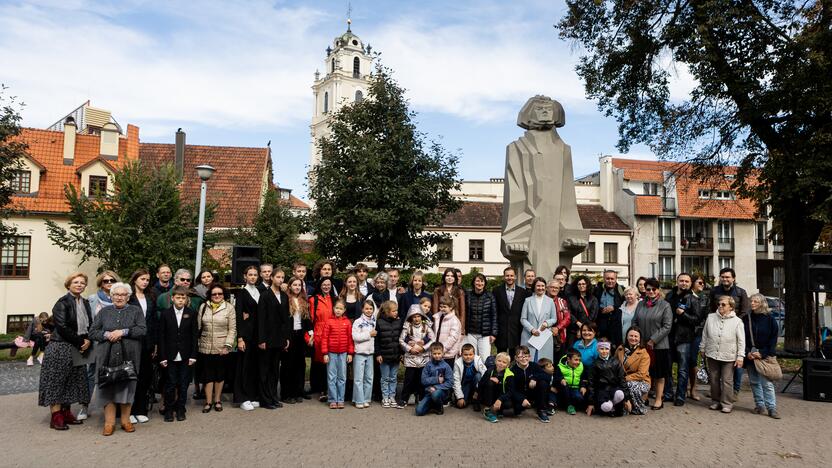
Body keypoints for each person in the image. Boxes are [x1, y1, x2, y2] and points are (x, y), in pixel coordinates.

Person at [88, 282, 147, 436]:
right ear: (112, 296)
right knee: (107, 389)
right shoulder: (104, 312)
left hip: (129, 356)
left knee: (127, 387)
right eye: (116, 294)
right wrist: (107, 334)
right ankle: (109, 423)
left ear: (128, 297)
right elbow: (93, 332)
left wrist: (124, 332)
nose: (119, 297)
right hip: (106, 356)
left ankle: (126, 421)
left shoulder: (135, 311)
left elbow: (142, 329)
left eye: (123, 295)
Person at [38, 272, 92, 430]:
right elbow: (62, 327)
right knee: (57, 381)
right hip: (60, 346)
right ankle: (56, 417)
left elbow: (90, 323)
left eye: (82, 282)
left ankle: (66, 413)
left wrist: (88, 339)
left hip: (77, 347)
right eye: (76, 282)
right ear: (68, 285)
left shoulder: (85, 303)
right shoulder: (62, 303)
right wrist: (82, 341)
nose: (79, 285)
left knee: (72, 381)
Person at [158, 286, 199, 422]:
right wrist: (162, 356)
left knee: (183, 383)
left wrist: (193, 355)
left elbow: (194, 336)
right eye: (178, 297)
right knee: (170, 383)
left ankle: (180, 409)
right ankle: (169, 410)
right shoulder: (165, 314)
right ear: (173, 298)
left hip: (186, 355)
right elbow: (161, 337)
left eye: (183, 297)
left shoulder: (191, 313)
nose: (181, 300)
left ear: (186, 299)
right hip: (169, 355)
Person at [708, 267, 751, 396]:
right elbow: (711, 308)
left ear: (733, 278)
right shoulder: (714, 291)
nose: (725, 279)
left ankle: (735, 391)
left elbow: (745, 311)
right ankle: (719, 393)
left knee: (736, 364)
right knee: (717, 366)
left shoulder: (741, 292)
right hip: (718, 328)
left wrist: (734, 322)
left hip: (735, 328)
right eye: (723, 277)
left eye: (727, 277)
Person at [664, 272, 704, 406]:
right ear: (677, 281)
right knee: (668, 368)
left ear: (690, 283)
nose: (684, 283)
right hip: (669, 337)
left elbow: (697, 320)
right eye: (681, 281)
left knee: (682, 369)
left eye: (687, 281)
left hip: (684, 338)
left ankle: (680, 396)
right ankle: (668, 394)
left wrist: (683, 315)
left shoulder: (693, 299)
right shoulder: (669, 296)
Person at [632, 278, 672, 410]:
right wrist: (639, 338)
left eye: (653, 289)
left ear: (658, 290)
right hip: (643, 345)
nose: (650, 291)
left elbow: (667, 326)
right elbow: (634, 322)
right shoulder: (641, 304)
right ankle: (645, 397)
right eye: (648, 289)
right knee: (645, 372)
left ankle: (659, 399)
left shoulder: (665, 305)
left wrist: (653, 339)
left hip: (659, 346)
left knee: (659, 374)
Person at [700, 296, 745, 414]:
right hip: (712, 353)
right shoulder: (710, 317)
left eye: (723, 304)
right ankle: (715, 401)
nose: (720, 306)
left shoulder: (737, 321)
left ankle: (727, 403)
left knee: (727, 380)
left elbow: (741, 341)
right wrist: (702, 348)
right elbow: (705, 334)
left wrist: (740, 356)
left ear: (731, 306)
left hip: (729, 355)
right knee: (714, 379)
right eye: (719, 304)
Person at [197, 284, 237, 413]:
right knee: (207, 376)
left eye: (220, 293)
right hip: (205, 345)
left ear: (223, 295)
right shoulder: (204, 307)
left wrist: (227, 345)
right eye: (214, 294)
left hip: (222, 347)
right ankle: (208, 402)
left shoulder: (229, 308)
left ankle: (218, 400)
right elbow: (198, 326)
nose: (217, 296)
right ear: (210, 295)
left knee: (219, 375)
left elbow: (232, 329)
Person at [127, 269, 158, 424]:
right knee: (131, 376)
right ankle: (129, 410)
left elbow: (153, 322)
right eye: (142, 279)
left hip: (147, 343)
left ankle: (141, 409)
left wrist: (154, 344)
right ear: (135, 280)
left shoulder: (151, 296)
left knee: (145, 377)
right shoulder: (128, 297)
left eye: (147, 279)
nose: (145, 282)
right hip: (132, 342)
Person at [745, 293, 781, 419]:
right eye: (751, 301)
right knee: (754, 382)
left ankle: (771, 408)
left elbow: (773, 340)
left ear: (762, 303)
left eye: (755, 301)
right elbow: (741, 338)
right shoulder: (746, 318)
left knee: (767, 383)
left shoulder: (770, 319)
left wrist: (762, 353)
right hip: (750, 355)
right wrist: (747, 352)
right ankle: (759, 405)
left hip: (764, 356)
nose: (752, 303)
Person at [257, 269, 289, 409]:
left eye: (282, 277)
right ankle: (265, 399)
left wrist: (286, 337)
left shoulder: (284, 296)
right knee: (265, 369)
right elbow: (261, 319)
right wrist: (261, 339)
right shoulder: (264, 295)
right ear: (271, 278)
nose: (281, 280)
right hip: (267, 338)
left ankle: (273, 397)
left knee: (275, 369)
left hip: (279, 338)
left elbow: (286, 319)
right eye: (278, 277)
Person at [281, 276, 313, 403]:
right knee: (288, 365)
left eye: (299, 285)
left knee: (300, 364)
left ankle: (298, 391)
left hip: (300, 335)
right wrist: (284, 337)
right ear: (289, 286)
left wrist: (311, 334)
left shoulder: (304, 300)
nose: (297, 287)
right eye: (294, 285)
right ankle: (287, 394)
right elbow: (282, 321)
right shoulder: (285, 300)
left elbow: (308, 320)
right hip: (289, 335)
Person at [234, 266, 260, 411]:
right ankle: (242, 398)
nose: (253, 277)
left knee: (253, 366)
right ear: (245, 276)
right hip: (246, 335)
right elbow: (239, 316)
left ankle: (251, 395)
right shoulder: (241, 293)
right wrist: (240, 338)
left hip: (257, 335)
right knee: (243, 366)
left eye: (255, 275)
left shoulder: (259, 291)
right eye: (250, 275)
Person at [400, 302, 435, 406]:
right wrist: (409, 349)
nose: (416, 319)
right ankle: (404, 398)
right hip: (411, 357)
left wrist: (423, 347)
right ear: (411, 317)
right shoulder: (407, 326)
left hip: (423, 357)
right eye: (414, 316)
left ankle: (421, 398)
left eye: (418, 316)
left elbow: (433, 339)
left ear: (422, 316)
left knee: (422, 379)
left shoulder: (426, 326)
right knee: (408, 379)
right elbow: (401, 340)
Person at [322, 300, 354, 409]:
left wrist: (350, 353)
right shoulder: (329, 321)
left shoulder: (347, 322)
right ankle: (332, 399)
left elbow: (350, 339)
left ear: (344, 310)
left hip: (343, 353)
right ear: (333, 309)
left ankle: (340, 399)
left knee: (342, 377)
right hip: (331, 353)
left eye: (341, 309)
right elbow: (324, 338)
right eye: (336, 308)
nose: (338, 310)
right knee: (332, 377)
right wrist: (325, 353)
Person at [309, 277, 337, 401]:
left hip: (333, 333)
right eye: (324, 284)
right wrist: (310, 336)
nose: (326, 287)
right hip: (319, 334)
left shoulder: (335, 300)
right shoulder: (313, 300)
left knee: (332, 363)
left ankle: (331, 389)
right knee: (321, 364)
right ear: (320, 286)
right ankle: (322, 390)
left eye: (329, 284)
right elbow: (309, 321)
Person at [615, 326, 651, 415]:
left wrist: (624, 378)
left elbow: (641, 374)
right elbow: (614, 364)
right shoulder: (620, 349)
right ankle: (622, 406)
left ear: (640, 339)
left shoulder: (644, 353)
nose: (633, 338)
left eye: (636, 336)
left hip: (642, 381)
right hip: (622, 379)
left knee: (629, 385)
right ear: (627, 336)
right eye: (631, 336)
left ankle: (639, 408)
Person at [585, 340, 628, 417]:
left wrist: (627, 399)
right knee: (606, 407)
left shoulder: (616, 362)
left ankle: (614, 405)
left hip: (614, 388)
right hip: (601, 391)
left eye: (606, 349)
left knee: (620, 394)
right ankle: (609, 407)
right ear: (598, 350)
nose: (604, 351)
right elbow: (591, 384)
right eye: (601, 349)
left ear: (609, 349)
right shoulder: (594, 365)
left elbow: (622, 379)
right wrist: (591, 402)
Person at [508, 345, 550, 422]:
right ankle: (526, 404)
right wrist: (521, 399)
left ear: (530, 357)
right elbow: (511, 389)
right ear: (516, 358)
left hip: (533, 392)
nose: (524, 359)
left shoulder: (534, 365)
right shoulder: (512, 370)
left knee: (543, 382)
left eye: (526, 356)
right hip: (520, 394)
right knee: (517, 410)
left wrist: (534, 378)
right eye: (520, 357)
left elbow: (547, 376)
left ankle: (542, 410)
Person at [493, 266, 527, 358]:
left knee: (515, 355)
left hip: (516, 329)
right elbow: (494, 310)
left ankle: (513, 372)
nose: (509, 278)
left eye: (511, 275)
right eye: (507, 275)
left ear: (515, 277)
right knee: (500, 355)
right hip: (501, 328)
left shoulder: (522, 292)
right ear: (504, 277)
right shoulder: (496, 291)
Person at [520, 277, 557, 361]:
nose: (540, 288)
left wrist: (546, 323)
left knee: (544, 363)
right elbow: (523, 319)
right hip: (529, 337)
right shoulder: (527, 301)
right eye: (538, 286)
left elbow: (554, 318)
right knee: (528, 362)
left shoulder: (550, 301)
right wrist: (532, 329)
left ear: (546, 287)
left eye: (543, 286)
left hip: (544, 337)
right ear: (534, 287)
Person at [375, 300, 403, 408]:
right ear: (387, 311)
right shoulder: (379, 322)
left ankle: (392, 396)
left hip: (395, 355)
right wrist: (378, 354)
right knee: (385, 378)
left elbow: (400, 339)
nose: (396, 312)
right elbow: (376, 340)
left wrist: (401, 353)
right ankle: (385, 397)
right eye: (394, 311)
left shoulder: (398, 322)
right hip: (384, 356)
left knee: (393, 378)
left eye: (397, 310)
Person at [415, 343, 454, 416]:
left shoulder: (446, 366)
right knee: (419, 411)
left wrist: (436, 387)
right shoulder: (428, 365)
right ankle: (431, 404)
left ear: (442, 353)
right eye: (434, 353)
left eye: (439, 353)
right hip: (429, 392)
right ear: (431, 353)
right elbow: (423, 380)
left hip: (441, 392)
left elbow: (450, 382)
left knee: (435, 394)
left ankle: (439, 406)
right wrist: (436, 380)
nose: (437, 355)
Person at [465, 273, 498, 358]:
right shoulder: (468, 296)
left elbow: (494, 315)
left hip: (485, 334)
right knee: (471, 358)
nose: (479, 283)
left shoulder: (490, 296)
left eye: (482, 281)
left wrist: (493, 333)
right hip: (470, 333)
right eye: (477, 281)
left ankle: (484, 372)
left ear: (485, 283)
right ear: (473, 283)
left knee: (484, 358)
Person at [352, 300, 376, 408]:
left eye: (370, 309)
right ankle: (358, 399)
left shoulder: (375, 322)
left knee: (369, 378)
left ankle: (366, 399)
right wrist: (369, 334)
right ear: (362, 309)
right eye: (366, 308)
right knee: (358, 378)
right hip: (360, 353)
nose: (368, 311)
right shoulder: (358, 322)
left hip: (370, 353)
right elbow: (355, 337)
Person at [688, 274, 709, 401]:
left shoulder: (705, 298)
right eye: (699, 282)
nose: (702, 285)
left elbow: (705, 318)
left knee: (693, 361)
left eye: (703, 283)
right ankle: (685, 387)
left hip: (698, 333)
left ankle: (693, 388)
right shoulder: (686, 297)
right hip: (685, 333)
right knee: (685, 361)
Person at [478, 352, 514, 423]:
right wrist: (489, 379)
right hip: (489, 394)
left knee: (509, 404)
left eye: (504, 362)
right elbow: (481, 383)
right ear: (495, 361)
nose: (501, 363)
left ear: (508, 365)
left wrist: (500, 399)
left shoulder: (510, 375)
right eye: (499, 361)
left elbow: (510, 392)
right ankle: (487, 410)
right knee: (490, 383)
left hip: (500, 395)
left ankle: (498, 409)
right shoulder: (490, 370)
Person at [567, 275, 598, 348]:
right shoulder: (571, 298)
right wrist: (577, 323)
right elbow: (568, 312)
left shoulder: (593, 299)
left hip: (588, 331)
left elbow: (593, 316)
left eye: (583, 284)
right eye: (579, 284)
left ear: (587, 285)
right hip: (573, 331)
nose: (581, 286)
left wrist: (583, 329)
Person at [555, 349, 589, 415]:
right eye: (576, 360)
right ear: (568, 359)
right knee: (564, 386)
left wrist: (583, 386)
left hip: (575, 388)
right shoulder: (560, 366)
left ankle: (569, 404)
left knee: (579, 398)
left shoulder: (581, 367)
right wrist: (561, 379)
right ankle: (569, 405)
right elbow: (557, 377)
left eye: (579, 360)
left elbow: (583, 378)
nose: (578, 362)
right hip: (564, 388)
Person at [453, 343, 487, 410]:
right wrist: (460, 397)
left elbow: (485, 373)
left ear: (474, 354)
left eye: (470, 354)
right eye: (465, 355)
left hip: (476, 384)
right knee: (461, 405)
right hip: (465, 384)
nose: (468, 357)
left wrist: (477, 390)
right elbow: (456, 381)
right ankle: (468, 398)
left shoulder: (478, 360)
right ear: (461, 354)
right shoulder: (457, 363)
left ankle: (476, 399)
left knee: (478, 375)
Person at [594, 270, 624, 344]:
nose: (610, 281)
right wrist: (601, 310)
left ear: (615, 279)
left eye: (612, 278)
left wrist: (614, 307)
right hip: (601, 324)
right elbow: (593, 304)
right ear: (604, 279)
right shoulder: (597, 290)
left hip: (616, 325)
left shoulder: (621, 290)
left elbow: (626, 304)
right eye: (607, 278)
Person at [432, 268, 466, 332]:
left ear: (455, 278)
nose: (449, 278)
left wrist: (462, 328)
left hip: (455, 321)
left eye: (452, 276)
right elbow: (435, 309)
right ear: (444, 277)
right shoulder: (438, 290)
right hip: (442, 320)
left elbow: (462, 311)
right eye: (447, 275)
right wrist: (435, 325)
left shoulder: (460, 292)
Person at [433, 296, 462, 368]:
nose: (442, 309)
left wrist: (442, 350)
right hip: (438, 352)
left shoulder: (454, 321)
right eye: (440, 306)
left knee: (446, 373)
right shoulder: (438, 317)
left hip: (448, 354)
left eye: (444, 307)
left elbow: (452, 338)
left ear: (451, 307)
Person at [545, 280, 571, 359]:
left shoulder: (562, 302)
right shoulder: (542, 300)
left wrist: (558, 328)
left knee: (558, 360)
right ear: (547, 288)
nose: (554, 289)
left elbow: (567, 318)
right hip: (544, 334)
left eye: (556, 288)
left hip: (559, 336)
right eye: (552, 287)